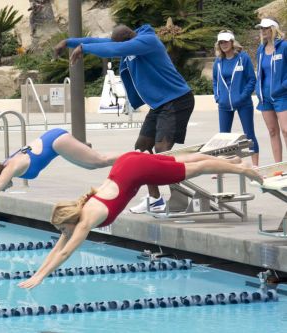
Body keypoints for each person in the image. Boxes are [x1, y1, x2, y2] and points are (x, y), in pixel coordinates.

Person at [18, 151, 263, 289]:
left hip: (136, 169)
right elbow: (56, 249)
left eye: (63, 229)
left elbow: (64, 254)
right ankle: (232, 161)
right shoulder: (77, 212)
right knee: (183, 161)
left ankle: (242, 169)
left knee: (195, 169)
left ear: (70, 222)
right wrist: (36, 272)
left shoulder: (85, 220)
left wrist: (41, 277)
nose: (64, 233)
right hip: (127, 162)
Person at [54, 24, 195, 214]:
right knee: (142, 148)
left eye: (121, 44)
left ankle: (180, 197)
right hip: (160, 105)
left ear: (129, 38)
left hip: (177, 100)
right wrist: (69, 42)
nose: (118, 48)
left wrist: (84, 49)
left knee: (162, 151)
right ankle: (155, 200)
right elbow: (100, 42)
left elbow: (115, 48)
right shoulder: (128, 43)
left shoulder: (147, 41)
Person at [0, 128, 119, 221]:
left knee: (99, 160)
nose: (4, 189)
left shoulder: (10, 168)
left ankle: (137, 157)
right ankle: (134, 157)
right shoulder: (3, 166)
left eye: (2, 187)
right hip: (54, 142)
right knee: (91, 166)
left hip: (56, 141)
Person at [212, 30, 259, 166]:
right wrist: (217, 97)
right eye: (221, 42)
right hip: (224, 105)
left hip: (243, 103)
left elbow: (251, 80)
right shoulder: (218, 61)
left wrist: (242, 97)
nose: (224, 44)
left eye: (226, 41)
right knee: (224, 137)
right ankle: (225, 166)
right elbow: (215, 81)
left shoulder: (243, 58)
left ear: (232, 42)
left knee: (249, 134)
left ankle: (255, 166)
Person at [255, 17, 287, 162]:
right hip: (265, 97)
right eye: (261, 28)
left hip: (282, 96)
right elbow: (260, 72)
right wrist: (258, 89)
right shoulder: (260, 50)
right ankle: (279, 166)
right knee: (272, 131)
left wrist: (282, 86)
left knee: (286, 131)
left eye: (265, 28)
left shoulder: (284, 47)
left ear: (273, 29)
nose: (263, 31)